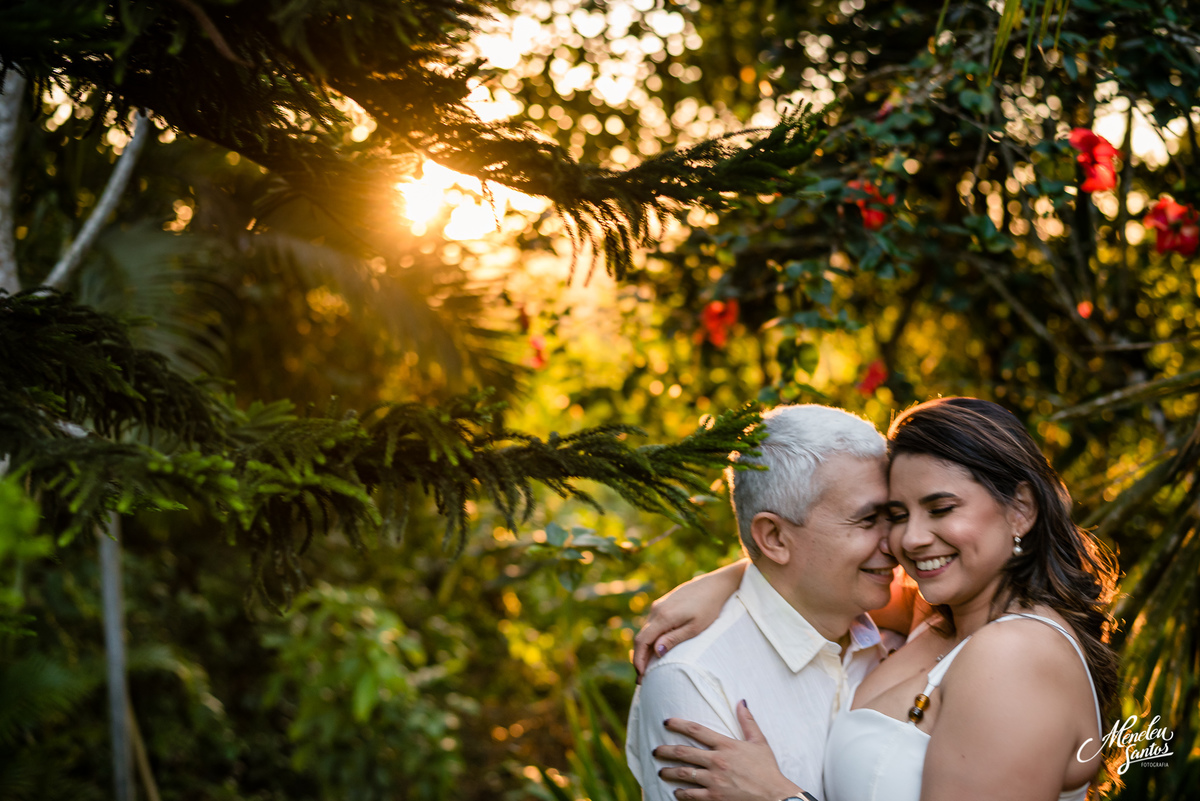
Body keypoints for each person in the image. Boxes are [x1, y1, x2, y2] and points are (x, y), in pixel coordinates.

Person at [636, 398, 1119, 801]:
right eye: (893, 515)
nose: (907, 540)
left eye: (941, 508)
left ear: (1020, 509)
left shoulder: (1014, 654)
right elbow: (800, 586)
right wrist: (729, 578)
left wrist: (782, 798)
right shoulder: (941, 615)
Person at [625, 404, 907, 801]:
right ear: (773, 538)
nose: (897, 542)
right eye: (867, 520)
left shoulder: (910, 633)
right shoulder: (695, 676)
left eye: (893, 516)